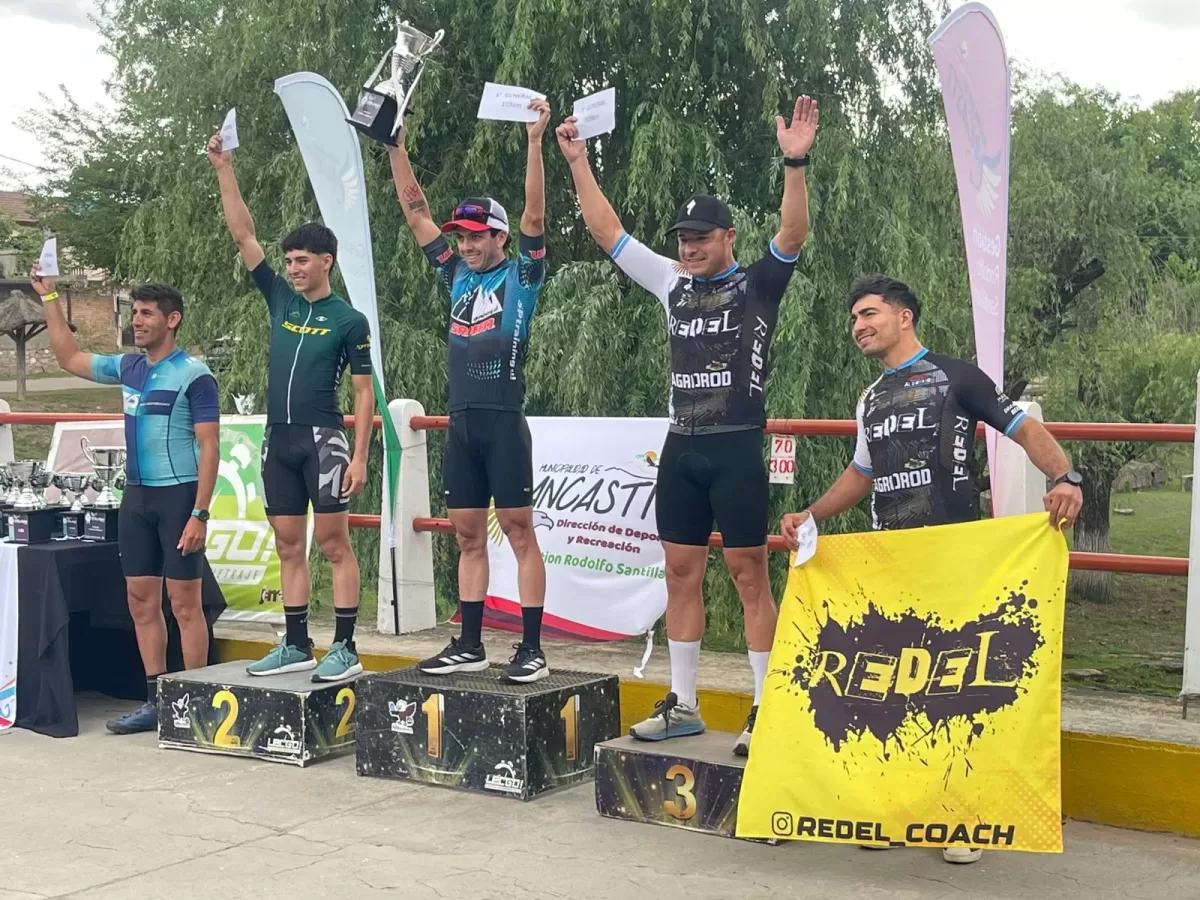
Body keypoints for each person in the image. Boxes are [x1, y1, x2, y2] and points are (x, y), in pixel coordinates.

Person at [781, 274, 1084, 864]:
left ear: (904, 317)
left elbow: (1023, 428)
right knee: (891, 686)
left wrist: (1065, 476)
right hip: (889, 560)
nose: (858, 326)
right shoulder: (870, 397)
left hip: (953, 557)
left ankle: (961, 817)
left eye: (869, 314)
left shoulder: (957, 377)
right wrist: (809, 514)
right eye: (853, 318)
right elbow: (862, 474)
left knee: (954, 690)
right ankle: (897, 810)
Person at [557, 96, 820, 754]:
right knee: (679, 572)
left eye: (701, 238)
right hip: (681, 447)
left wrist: (795, 162)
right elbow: (608, 233)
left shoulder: (758, 284)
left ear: (728, 237)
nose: (690, 247)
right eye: (683, 239)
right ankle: (683, 703)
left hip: (736, 445)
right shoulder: (671, 282)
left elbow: (792, 234)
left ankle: (765, 708)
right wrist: (578, 161)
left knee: (749, 573)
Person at [386, 101, 552, 684]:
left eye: (477, 236)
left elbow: (535, 212)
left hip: (503, 417)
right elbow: (416, 214)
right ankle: (471, 643)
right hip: (461, 422)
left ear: (500, 235)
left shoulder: (523, 273)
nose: (465, 245)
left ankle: (531, 648)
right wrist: (396, 149)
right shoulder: (454, 272)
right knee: (466, 535)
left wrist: (535, 143)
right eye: (460, 236)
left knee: (519, 530)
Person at [208, 132, 374, 683]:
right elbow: (243, 233)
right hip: (277, 440)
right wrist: (224, 168)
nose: (294, 268)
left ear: (327, 262)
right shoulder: (280, 298)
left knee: (333, 542)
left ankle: (345, 647)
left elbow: (363, 393)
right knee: (287, 544)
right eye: (289, 261)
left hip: (323, 441)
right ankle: (297, 644)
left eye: (303, 260)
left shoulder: (349, 320)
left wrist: (360, 457)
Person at [31, 265, 219, 735]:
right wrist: (49, 297)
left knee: (184, 604)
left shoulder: (194, 374)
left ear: (172, 320)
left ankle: (194, 703)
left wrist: (200, 512)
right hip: (136, 497)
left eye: (147, 313)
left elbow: (209, 447)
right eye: (134, 312)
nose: (137, 320)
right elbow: (68, 357)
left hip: (178, 496)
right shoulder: (129, 367)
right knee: (140, 601)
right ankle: (156, 700)